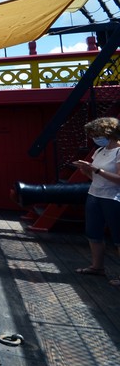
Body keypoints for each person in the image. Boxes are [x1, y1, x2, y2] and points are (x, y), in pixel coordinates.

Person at [70, 116, 120, 287]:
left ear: (107, 132)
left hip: (113, 198)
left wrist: (96, 169)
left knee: (118, 236)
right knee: (93, 233)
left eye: (96, 134)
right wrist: (86, 170)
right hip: (95, 195)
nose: (94, 138)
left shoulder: (119, 152)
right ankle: (97, 267)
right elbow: (94, 177)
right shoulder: (99, 151)